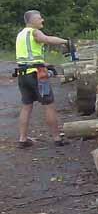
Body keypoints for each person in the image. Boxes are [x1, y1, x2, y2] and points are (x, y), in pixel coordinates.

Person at [15, 10, 68, 148]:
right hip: (37, 75)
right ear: (31, 21)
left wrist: (47, 65)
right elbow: (48, 39)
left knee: (26, 106)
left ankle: (22, 139)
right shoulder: (34, 32)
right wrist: (66, 42)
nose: (42, 20)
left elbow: (28, 57)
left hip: (23, 74)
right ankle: (57, 138)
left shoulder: (21, 34)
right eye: (39, 18)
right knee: (49, 105)